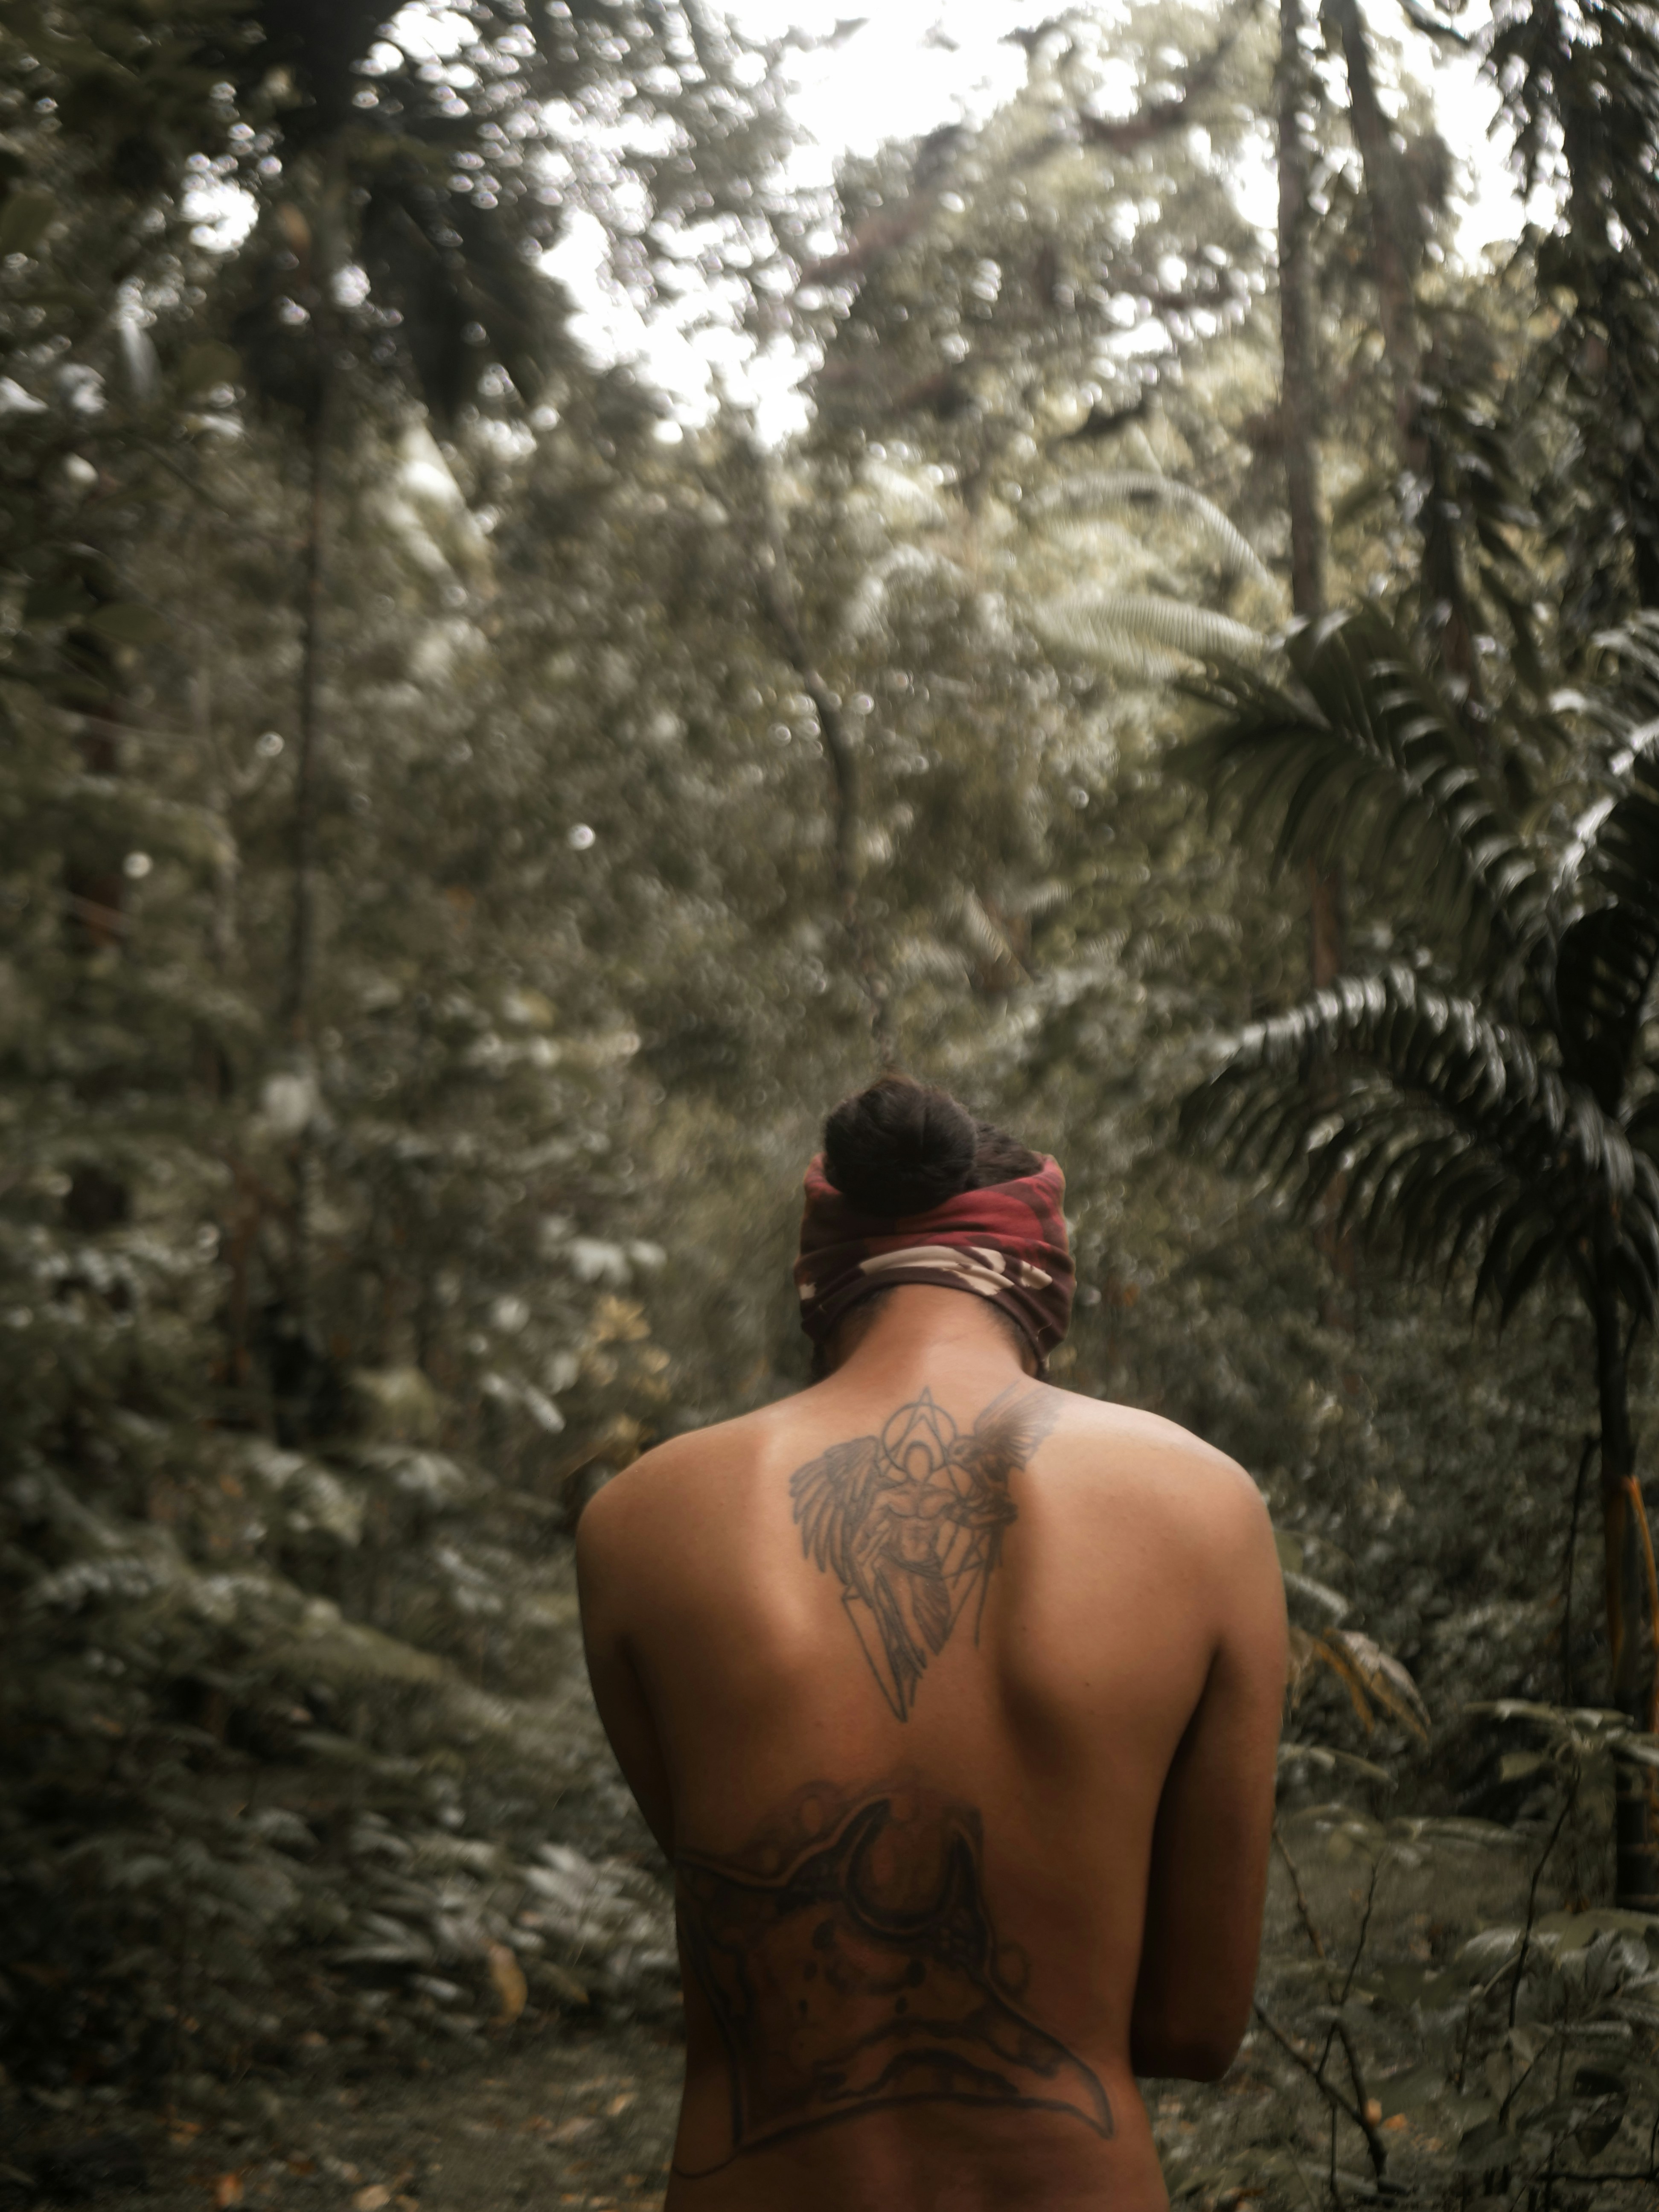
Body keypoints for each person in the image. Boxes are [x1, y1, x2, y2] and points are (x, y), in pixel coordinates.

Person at [577, 1076, 1287, 2211]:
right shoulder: (1205, 1505)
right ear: (1043, 1279)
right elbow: (1192, 2029)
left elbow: (743, 1929)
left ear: (822, 1280)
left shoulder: (639, 1522)